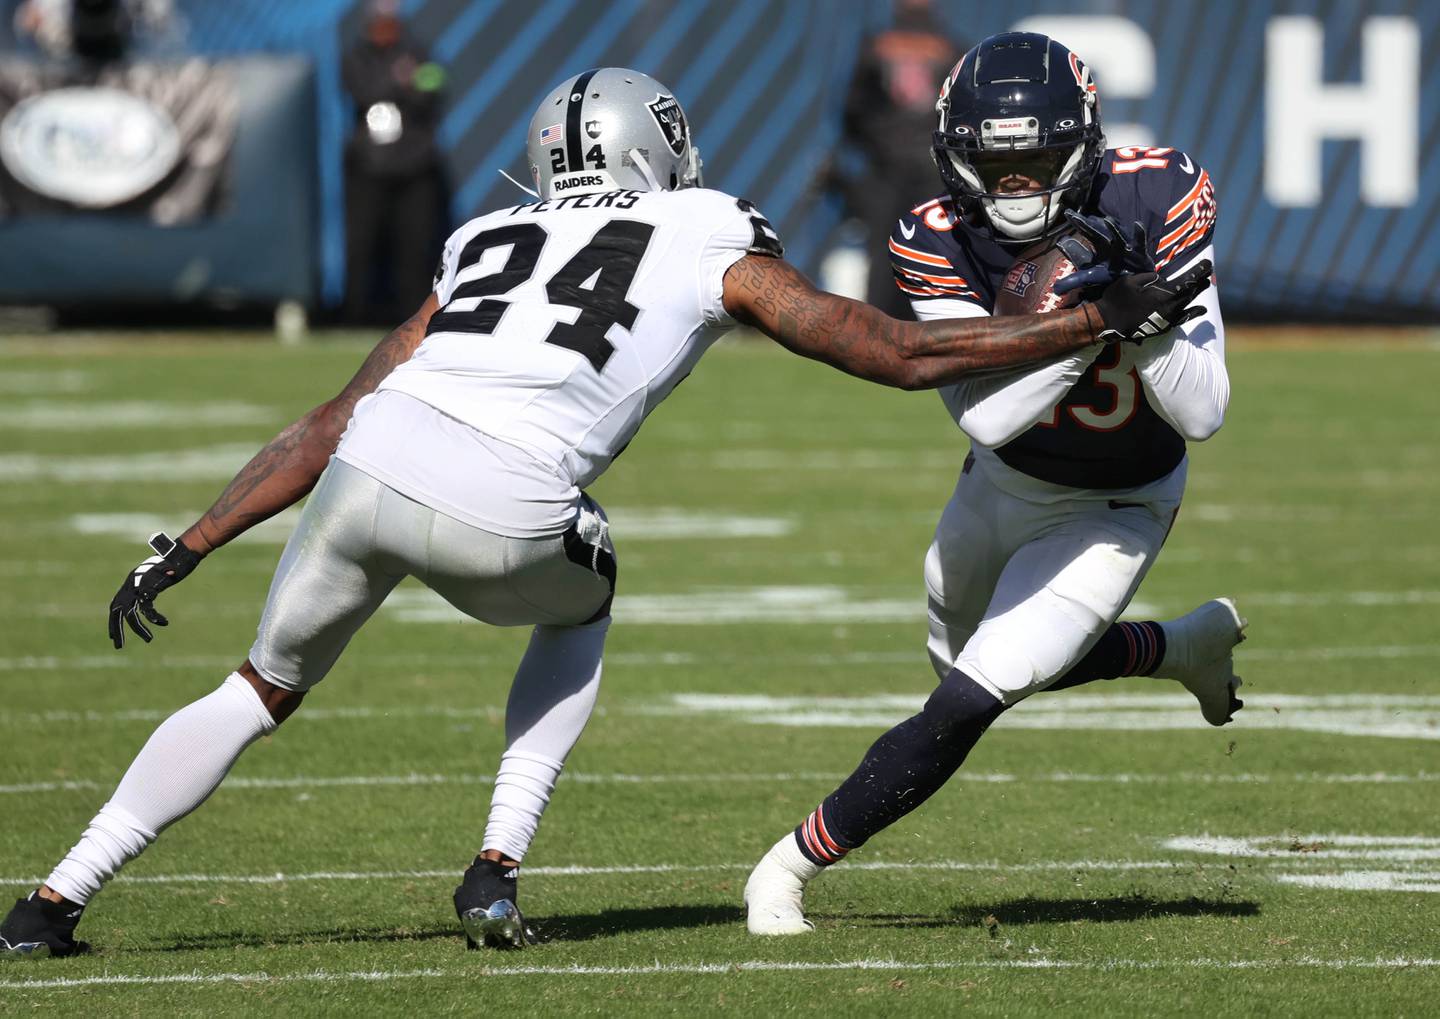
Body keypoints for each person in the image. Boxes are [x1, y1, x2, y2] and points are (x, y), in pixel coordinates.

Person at [0, 66, 1209, 959]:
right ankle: (495, 863)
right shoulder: (704, 225)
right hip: (508, 500)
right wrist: (1090, 319)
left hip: (370, 464)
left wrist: (188, 542)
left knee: (256, 689)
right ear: (657, 150)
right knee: (588, 590)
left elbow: (327, 417)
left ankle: (52, 899)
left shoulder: (483, 235)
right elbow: (893, 353)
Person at [745, 32, 1242, 936]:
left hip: (1120, 504)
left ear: (1084, 145)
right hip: (1002, 479)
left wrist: (1147, 315)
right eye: (994, 163)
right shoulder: (933, 233)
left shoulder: (1155, 191)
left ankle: (786, 867)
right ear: (954, 156)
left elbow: (1203, 412)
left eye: (1039, 159)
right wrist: (1093, 320)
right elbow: (985, 417)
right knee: (972, 657)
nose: (1016, 184)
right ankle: (1177, 648)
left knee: (974, 692)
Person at [833, 0, 959, 317]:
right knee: (933, 249)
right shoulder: (952, 47)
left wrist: (878, 144)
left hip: (887, 167)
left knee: (883, 251)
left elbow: (854, 109)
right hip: (931, 167)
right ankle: (930, 320)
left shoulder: (876, 44)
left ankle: (877, 325)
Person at [341, 0, 447, 324]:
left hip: (414, 167)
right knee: (363, 245)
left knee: (414, 247)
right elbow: (362, 90)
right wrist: (400, 80)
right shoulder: (355, 55)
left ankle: (413, 319)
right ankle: (355, 316)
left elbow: (434, 84)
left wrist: (410, 82)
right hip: (369, 167)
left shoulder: (419, 52)